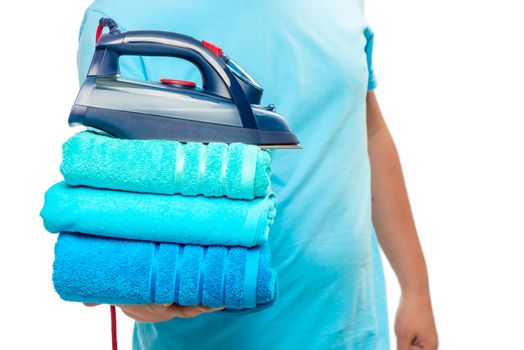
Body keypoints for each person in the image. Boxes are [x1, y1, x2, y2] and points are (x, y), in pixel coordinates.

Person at [78, 1, 438, 349]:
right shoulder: (123, 14)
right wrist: (142, 297)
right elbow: (117, 207)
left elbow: (366, 125)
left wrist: (415, 287)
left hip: (354, 331)